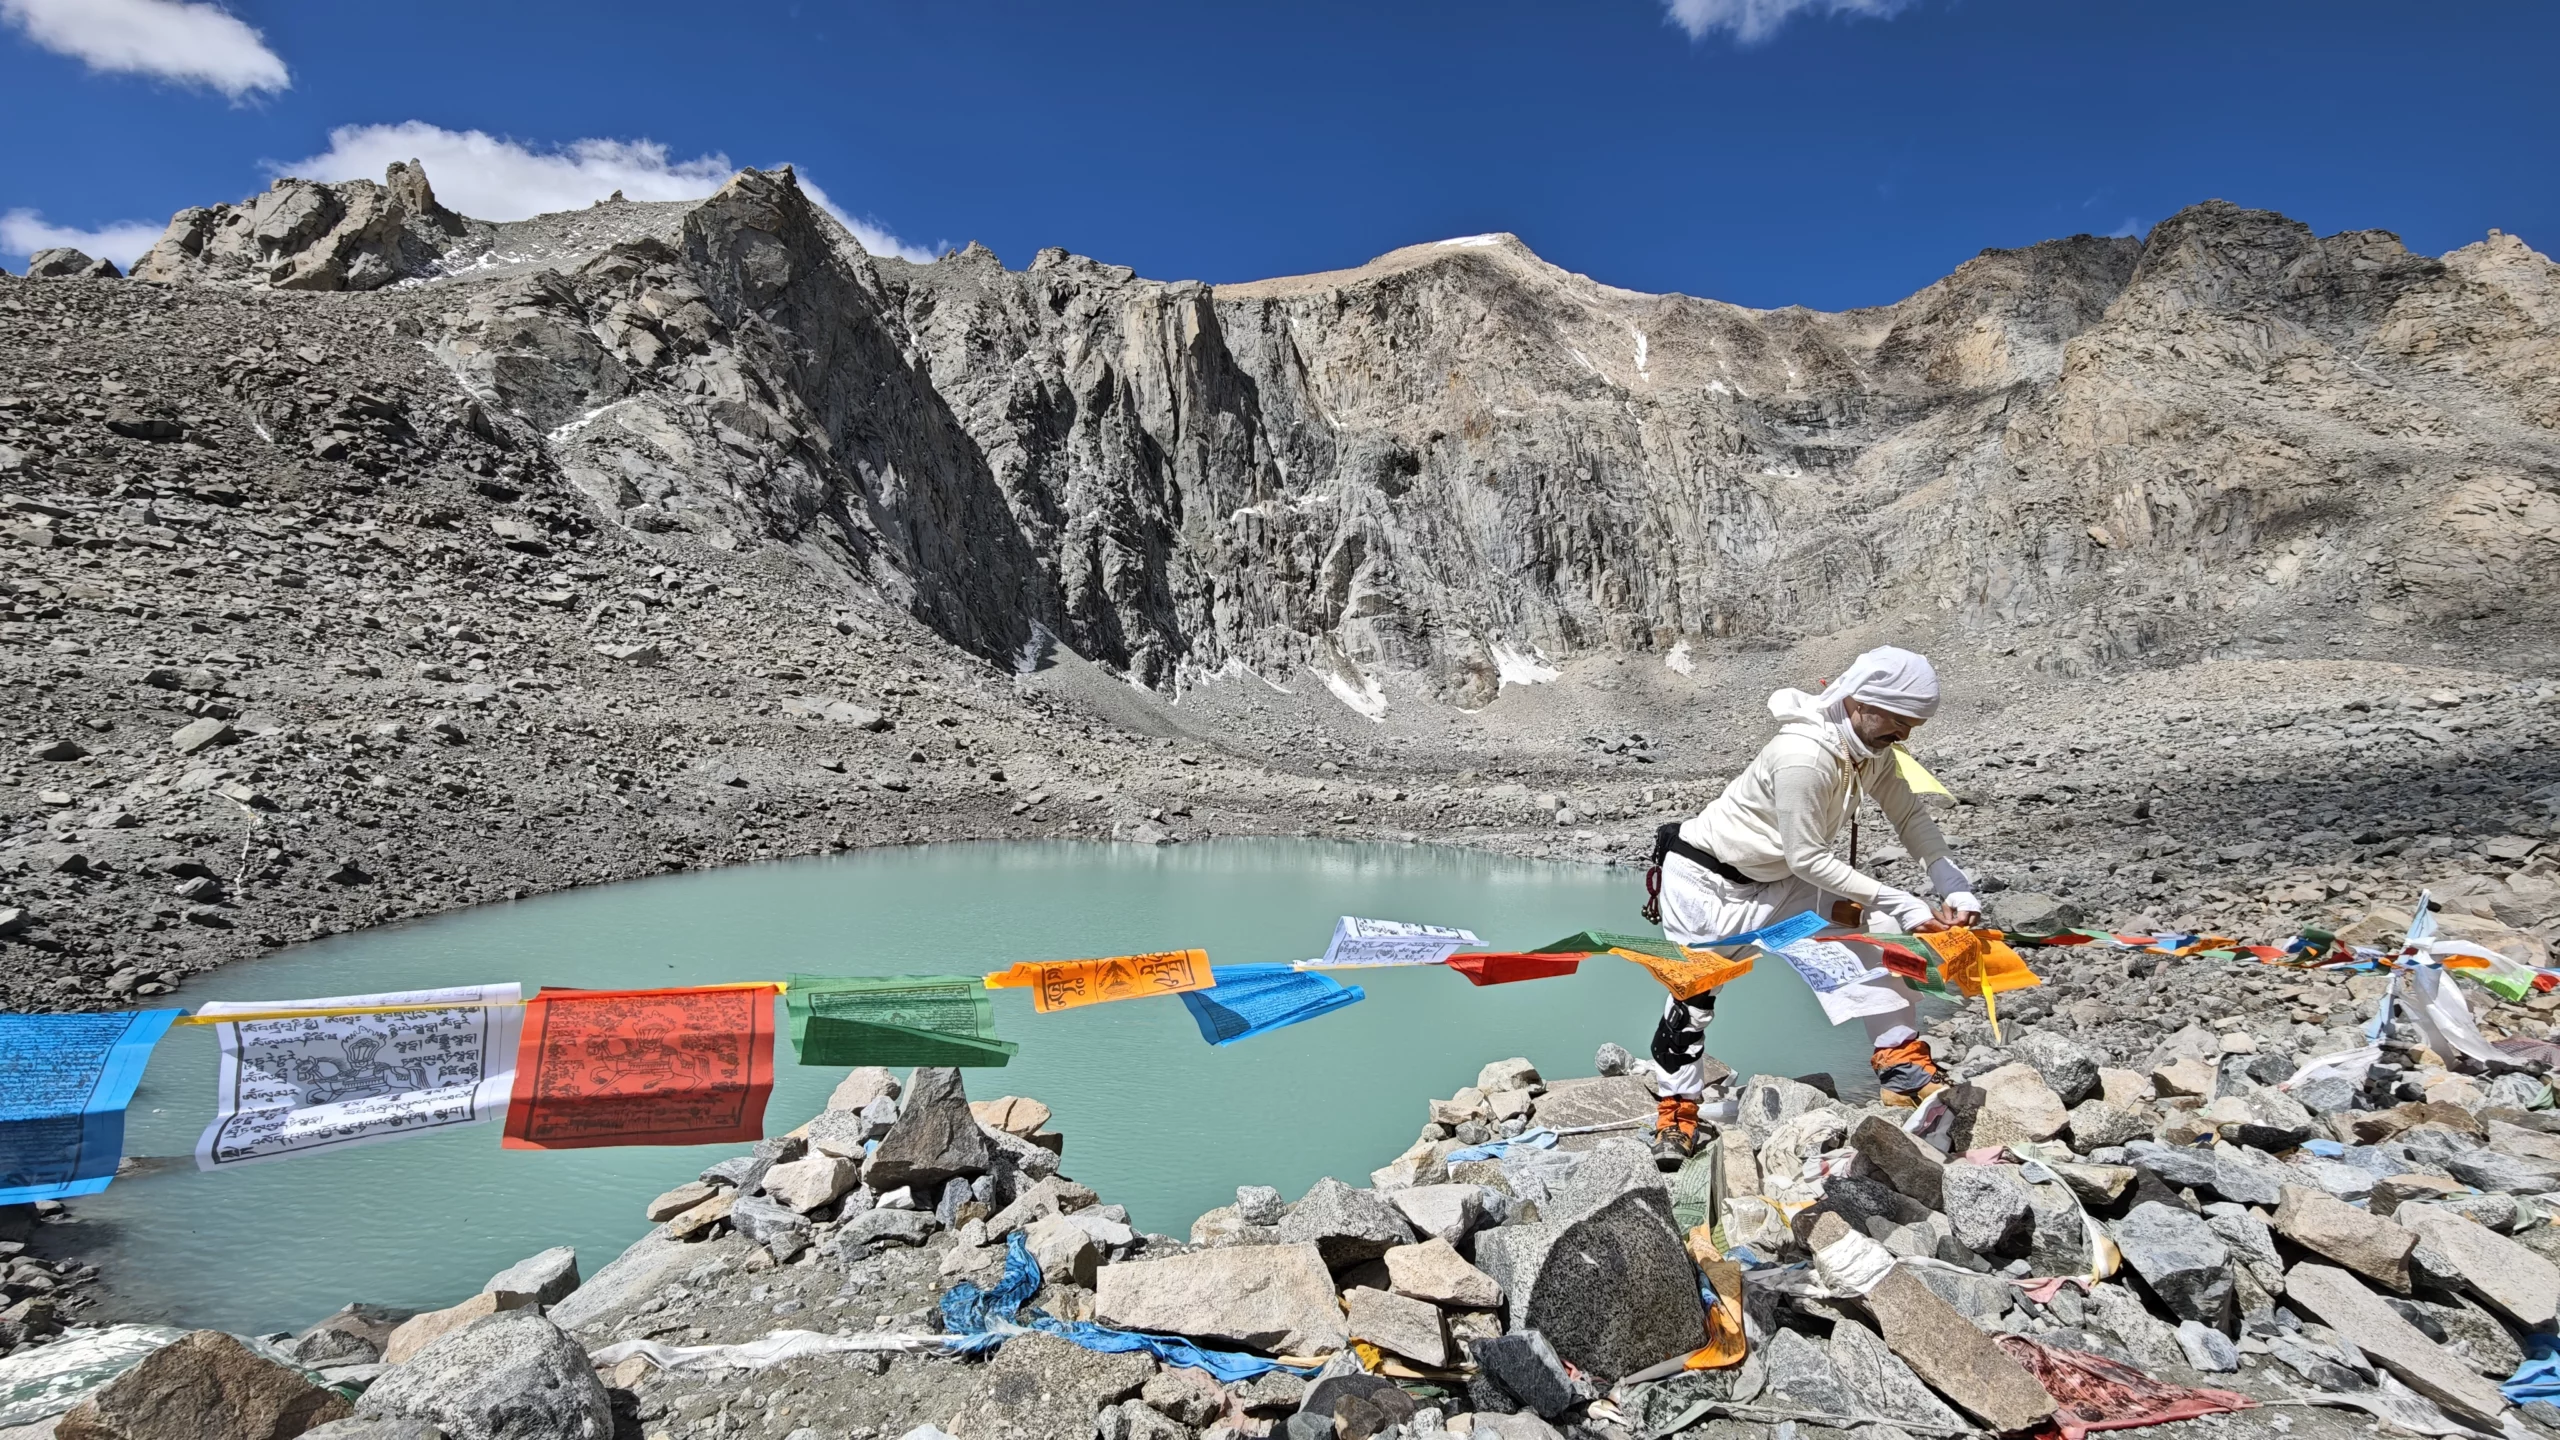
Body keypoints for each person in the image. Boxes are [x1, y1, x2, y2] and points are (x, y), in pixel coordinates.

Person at [1641, 646, 1981, 1168]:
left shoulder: (1870, 752)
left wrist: (1950, 882)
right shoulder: (1804, 755)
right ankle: (1677, 1109)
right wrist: (1909, 901)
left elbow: (1910, 815)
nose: (1906, 735)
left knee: (1871, 938)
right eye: (1899, 720)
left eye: (1914, 724)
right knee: (1694, 996)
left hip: (1779, 881)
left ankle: (1902, 1065)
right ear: (1862, 701)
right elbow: (1807, 858)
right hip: (1706, 886)